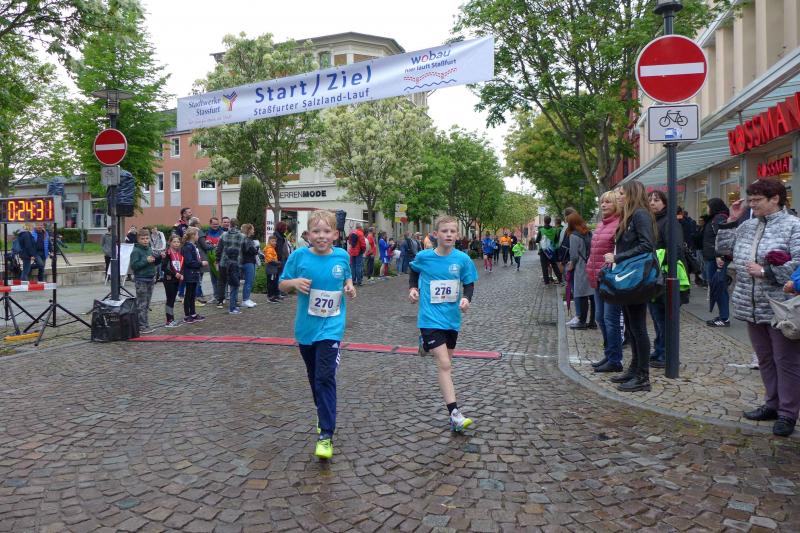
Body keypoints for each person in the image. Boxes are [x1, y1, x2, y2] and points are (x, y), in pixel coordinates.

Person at [716, 178, 800, 437]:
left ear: (775, 198)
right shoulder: (748, 226)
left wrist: (767, 272)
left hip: (780, 307)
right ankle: (772, 404)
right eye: (750, 200)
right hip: (751, 304)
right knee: (764, 358)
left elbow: (798, 265)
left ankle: (788, 413)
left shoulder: (793, 226)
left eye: (757, 200)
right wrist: (732, 220)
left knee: (786, 360)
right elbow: (723, 249)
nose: (752, 204)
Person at [279, 210, 356, 460]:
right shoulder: (299, 256)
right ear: (308, 234)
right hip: (306, 329)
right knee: (314, 378)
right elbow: (282, 283)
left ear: (335, 234)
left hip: (332, 328)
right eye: (316, 231)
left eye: (326, 231)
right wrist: (294, 283)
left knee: (325, 376)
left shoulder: (342, 256)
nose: (321, 236)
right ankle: (322, 411)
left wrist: (349, 287)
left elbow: (347, 279)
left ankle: (326, 434)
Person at [409, 215, 479, 433]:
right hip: (429, 318)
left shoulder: (463, 259)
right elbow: (414, 270)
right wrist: (413, 289)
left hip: (451, 319)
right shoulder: (424, 257)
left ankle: (425, 343)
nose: (449, 235)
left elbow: (469, 283)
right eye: (444, 231)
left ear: (457, 235)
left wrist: (466, 299)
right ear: (436, 234)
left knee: (447, 363)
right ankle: (454, 414)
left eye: (452, 231)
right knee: (444, 364)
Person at [604, 180, 657, 393]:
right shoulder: (630, 215)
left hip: (636, 278)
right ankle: (634, 369)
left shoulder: (640, 215)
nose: (618, 196)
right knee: (632, 326)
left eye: (621, 193)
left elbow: (647, 245)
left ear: (631, 194)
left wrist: (618, 257)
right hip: (628, 277)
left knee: (638, 328)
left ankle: (643, 376)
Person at [586, 190, 624, 373]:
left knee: (610, 320)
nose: (603, 205)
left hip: (610, 280)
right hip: (597, 279)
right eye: (602, 202)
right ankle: (609, 355)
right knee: (600, 318)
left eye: (608, 202)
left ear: (616, 204)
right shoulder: (601, 224)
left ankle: (615, 360)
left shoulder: (619, 224)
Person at [647, 190, 684, 368]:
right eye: (650, 200)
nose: (652, 203)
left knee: (664, 317)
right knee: (656, 316)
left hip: (665, 276)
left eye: (656, 200)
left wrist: (658, 259)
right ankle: (659, 349)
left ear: (664, 202)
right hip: (653, 276)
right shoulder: (652, 221)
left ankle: (666, 353)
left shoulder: (669, 221)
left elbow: (675, 248)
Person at [703, 198, 731, 327]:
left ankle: (724, 318)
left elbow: (722, 237)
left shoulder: (719, 218)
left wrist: (719, 255)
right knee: (718, 286)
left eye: (708, 206)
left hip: (716, 259)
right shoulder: (715, 218)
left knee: (719, 287)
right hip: (713, 257)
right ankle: (723, 316)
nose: (707, 209)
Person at [566, 212, 595, 329]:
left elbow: (573, 255)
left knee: (582, 294)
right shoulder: (589, 233)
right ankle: (592, 321)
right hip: (592, 265)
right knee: (592, 295)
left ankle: (582, 322)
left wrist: (571, 265)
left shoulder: (574, 236)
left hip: (581, 267)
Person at [129, 228, 160, 334]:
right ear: (138, 239)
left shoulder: (149, 249)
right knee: (142, 304)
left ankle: (145, 324)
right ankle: (142, 325)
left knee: (147, 303)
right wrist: (146, 261)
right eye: (142, 239)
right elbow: (134, 266)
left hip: (150, 278)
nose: (145, 240)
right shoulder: (136, 251)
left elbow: (153, 263)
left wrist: (159, 258)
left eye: (147, 238)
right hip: (141, 279)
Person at [216, 218, 245, 311]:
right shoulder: (242, 236)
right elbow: (244, 250)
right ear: (238, 225)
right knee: (234, 282)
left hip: (224, 262)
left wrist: (217, 260)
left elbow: (219, 249)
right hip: (236, 262)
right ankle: (234, 301)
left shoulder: (223, 235)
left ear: (230, 225)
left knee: (222, 281)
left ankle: (220, 301)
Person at [180, 228, 207, 323]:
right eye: (197, 234)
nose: (198, 236)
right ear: (192, 236)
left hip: (194, 273)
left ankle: (193, 313)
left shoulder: (192, 246)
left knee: (192, 295)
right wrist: (201, 263)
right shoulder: (187, 247)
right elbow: (189, 262)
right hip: (189, 273)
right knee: (188, 294)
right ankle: (187, 315)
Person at [161, 235, 184, 328]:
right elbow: (164, 268)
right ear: (169, 242)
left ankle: (172, 319)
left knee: (173, 299)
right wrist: (175, 274)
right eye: (174, 242)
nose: (176, 244)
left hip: (176, 279)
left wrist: (181, 274)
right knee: (170, 299)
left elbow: (180, 266)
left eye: (178, 242)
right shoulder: (167, 253)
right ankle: (169, 320)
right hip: (169, 279)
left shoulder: (179, 253)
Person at [535, 217, 562, 284]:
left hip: (543, 251)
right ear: (550, 221)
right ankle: (560, 279)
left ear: (544, 221)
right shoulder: (554, 230)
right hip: (551, 251)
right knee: (554, 265)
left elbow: (537, 240)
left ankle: (546, 281)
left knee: (544, 266)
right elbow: (556, 240)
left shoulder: (541, 230)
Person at [204, 217, 225, 302]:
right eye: (214, 224)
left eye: (217, 224)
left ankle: (222, 296)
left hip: (220, 259)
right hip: (210, 259)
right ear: (210, 224)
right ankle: (215, 296)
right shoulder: (206, 233)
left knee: (221, 279)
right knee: (213, 279)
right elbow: (204, 245)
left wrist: (214, 245)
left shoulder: (222, 233)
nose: (216, 225)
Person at [240, 223, 259, 308]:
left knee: (250, 281)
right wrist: (257, 246)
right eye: (252, 229)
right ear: (249, 230)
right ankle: (245, 300)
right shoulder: (246, 239)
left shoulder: (247, 239)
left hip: (249, 261)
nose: (254, 231)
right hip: (248, 262)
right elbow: (253, 251)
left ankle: (247, 298)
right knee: (249, 281)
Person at [274, 221, 291, 298]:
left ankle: (280, 291)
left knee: (281, 274)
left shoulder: (280, 236)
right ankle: (279, 291)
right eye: (285, 228)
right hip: (280, 258)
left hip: (282, 258)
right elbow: (279, 249)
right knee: (280, 274)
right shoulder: (278, 237)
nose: (286, 229)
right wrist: (279, 259)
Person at [264, 235, 281, 303]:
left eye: (275, 241)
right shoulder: (269, 249)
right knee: (271, 283)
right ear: (269, 241)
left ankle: (274, 295)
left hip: (273, 268)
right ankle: (270, 297)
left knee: (274, 282)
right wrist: (278, 263)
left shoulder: (272, 248)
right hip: (271, 268)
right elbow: (270, 260)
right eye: (272, 241)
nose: (274, 242)